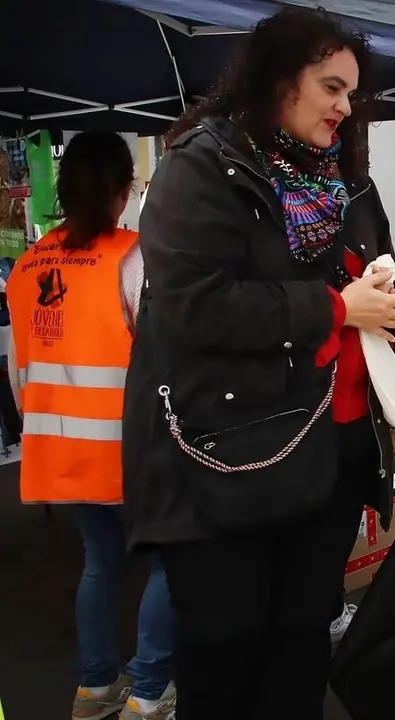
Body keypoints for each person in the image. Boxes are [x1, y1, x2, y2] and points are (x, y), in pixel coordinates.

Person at [121, 8, 395, 720]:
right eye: (330, 87)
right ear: (280, 81)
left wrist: (392, 295)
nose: (345, 107)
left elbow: (381, 273)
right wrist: (338, 309)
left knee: (301, 644)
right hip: (228, 464)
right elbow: (197, 308)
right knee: (226, 654)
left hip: (329, 457)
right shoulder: (201, 169)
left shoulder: (348, 182)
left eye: (352, 91)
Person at [7, 133, 176, 720]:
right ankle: (150, 691)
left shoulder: (28, 265)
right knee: (169, 562)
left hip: (61, 453)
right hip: (133, 452)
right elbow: (167, 356)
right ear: (124, 190)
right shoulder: (137, 258)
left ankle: (94, 688)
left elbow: (18, 370)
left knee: (100, 565)